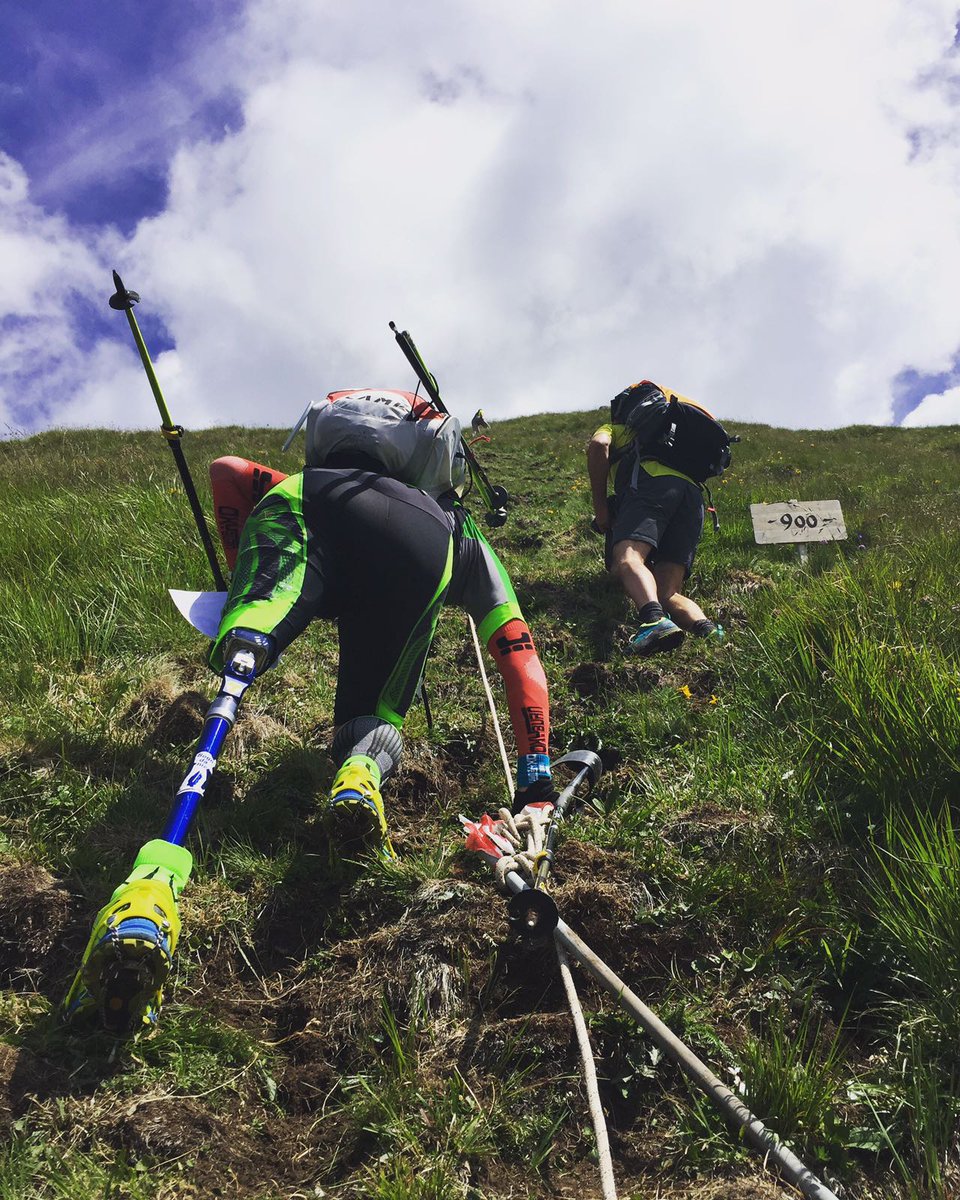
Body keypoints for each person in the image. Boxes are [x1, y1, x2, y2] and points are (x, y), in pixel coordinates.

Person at [64, 389, 556, 1034]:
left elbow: (228, 472)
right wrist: (537, 779)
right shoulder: (457, 527)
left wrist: (245, 569)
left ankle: (149, 891)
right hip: (421, 545)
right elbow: (519, 658)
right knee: (374, 710)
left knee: (242, 660)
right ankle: (359, 775)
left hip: (303, 513)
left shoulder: (301, 479)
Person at [587, 380, 726, 657]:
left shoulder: (618, 428)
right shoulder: (675, 442)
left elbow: (598, 445)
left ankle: (653, 621)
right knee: (668, 591)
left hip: (652, 485)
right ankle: (710, 633)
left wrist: (601, 508)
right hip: (692, 496)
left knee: (627, 557)